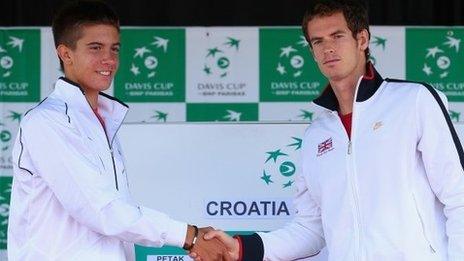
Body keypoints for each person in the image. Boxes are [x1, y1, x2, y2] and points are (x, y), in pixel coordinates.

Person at [191, 0, 464, 260]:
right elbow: (310, 229)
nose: (327, 48)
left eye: (337, 36)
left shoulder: (414, 100)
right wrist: (241, 248)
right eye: (318, 41)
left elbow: (458, 194)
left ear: (362, 40)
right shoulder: (317, 134)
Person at [7, 1, 230, 260]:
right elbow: (100, 210)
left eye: (115, 49)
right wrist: (189, 236)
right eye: (95, 48)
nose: (109, 59)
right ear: (65, 54)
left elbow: (113, 216)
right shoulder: (47, 122)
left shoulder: (101, 120)